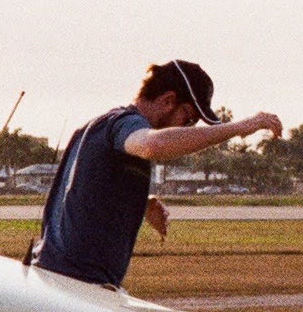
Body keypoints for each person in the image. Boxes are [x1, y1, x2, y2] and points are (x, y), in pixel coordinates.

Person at [30, 60, 282, 290]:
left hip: (63, 277)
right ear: (169, 100)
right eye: (189, 119)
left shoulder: (99, 128)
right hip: (75, 283)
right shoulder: (126, 123)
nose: (187, 128)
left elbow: (87, 186)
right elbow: (153, 145)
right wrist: (240, 127)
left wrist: (143, 201)